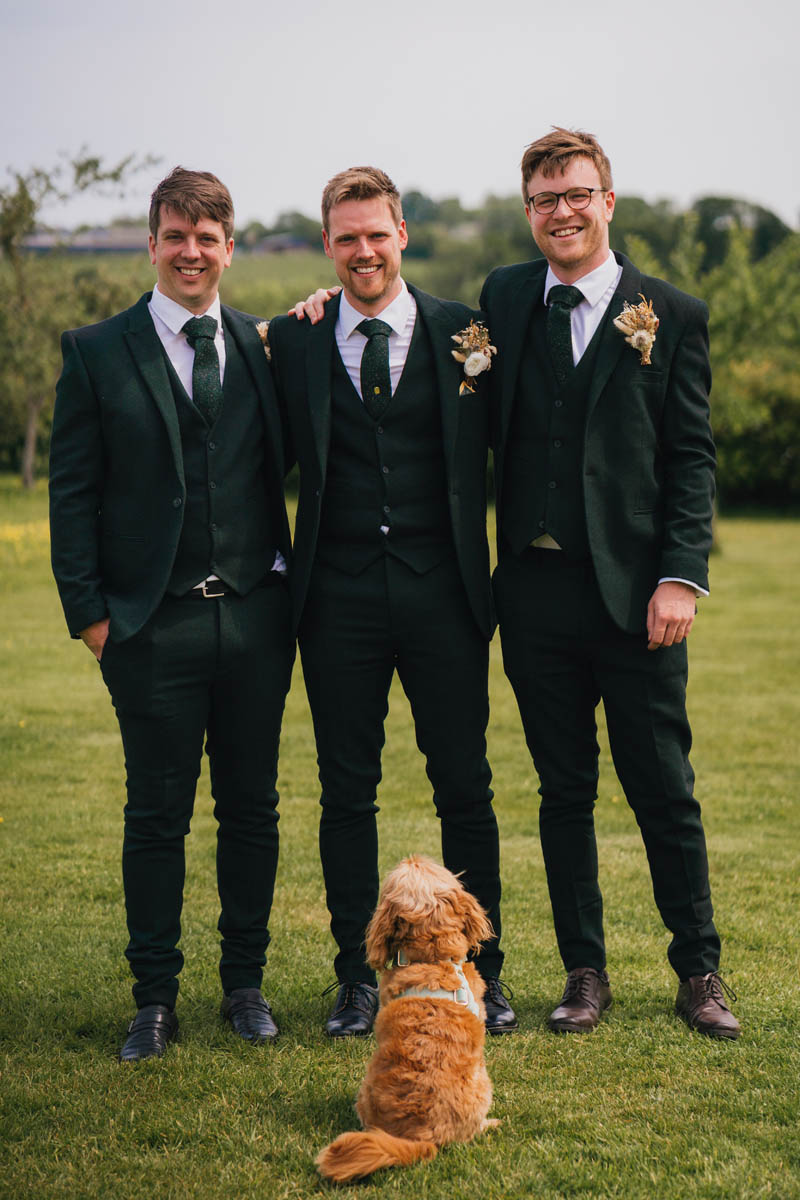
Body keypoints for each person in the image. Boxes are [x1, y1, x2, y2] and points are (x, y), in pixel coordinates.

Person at [480, 128, 739, 1038]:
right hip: (536, 597)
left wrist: (680, 578)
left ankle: (699, 971)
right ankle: (583, 972)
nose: (563, 212)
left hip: (639, 598)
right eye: (546, 199)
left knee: (664, 787)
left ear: (608, 202)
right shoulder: (504, 299)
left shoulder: (671, 313)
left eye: (577, 194)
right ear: (529, 212)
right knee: (563, 791)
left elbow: (692, 458)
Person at [49, 167, 295, 1061]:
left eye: (209, 236)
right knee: (155, 815)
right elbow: (71, 495)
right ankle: (153, 997)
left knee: (252, 810)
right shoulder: (96, 351)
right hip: (150, 626)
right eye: (176, 235)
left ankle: (246, 987)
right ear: (152, 243)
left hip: (257, 621)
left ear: (230, 248)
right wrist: (92, 615)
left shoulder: (263, 347)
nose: (192, 251)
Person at [268, 167, 516, 1038]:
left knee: (467, 788)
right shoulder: (295, 341)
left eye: (377, 234)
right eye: (346, 238)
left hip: (444, 593)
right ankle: (355, 978)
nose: (363, 251)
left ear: (401, 234)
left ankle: (482, 968)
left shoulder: (466, 335)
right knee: (346, 792)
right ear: (327, 245)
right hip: (336, 602)